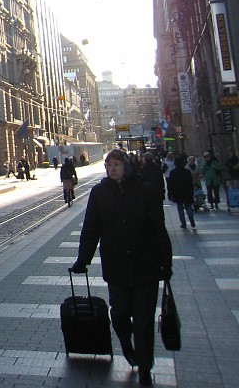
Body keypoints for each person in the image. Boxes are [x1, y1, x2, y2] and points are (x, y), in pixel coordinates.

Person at [70, 148, 172, 386]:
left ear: (126, 165)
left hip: (146, 265)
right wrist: (82, 260)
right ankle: (127, 345)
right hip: (116, 267)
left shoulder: (146, 191)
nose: (112, 169)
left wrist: (166, 263)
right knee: (119, 314)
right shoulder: (99, 193)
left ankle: (145, 365)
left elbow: (159, 228)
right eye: (109, 165)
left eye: (116, 164)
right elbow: (91, 229)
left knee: (144, 320)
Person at [166, 160, 196, 229]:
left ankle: (183, 223)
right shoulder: (187, 171)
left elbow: (170, 185)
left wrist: (170, 194)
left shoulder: (172, 172)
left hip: (177, 193)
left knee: (180, 209)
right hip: (187, 192)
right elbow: (190, 183)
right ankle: (191, 219)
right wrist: (192, 192)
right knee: (188, 207)